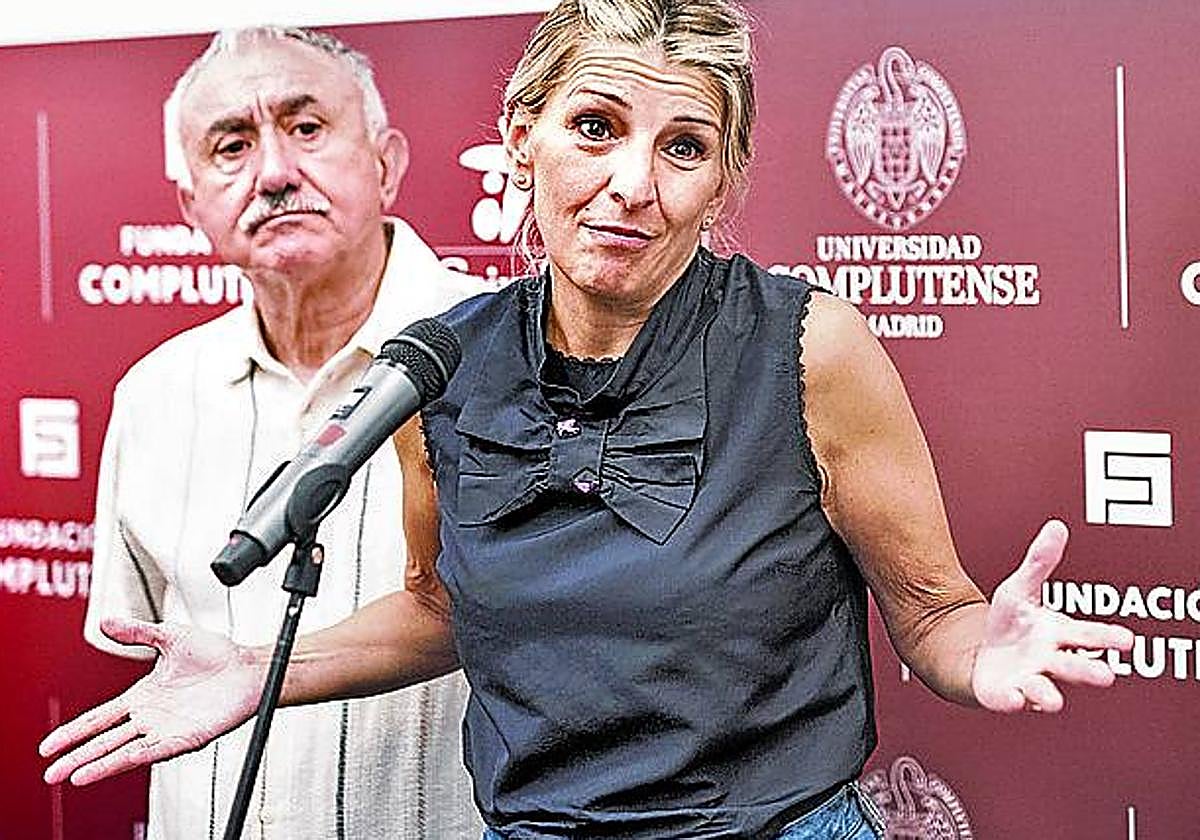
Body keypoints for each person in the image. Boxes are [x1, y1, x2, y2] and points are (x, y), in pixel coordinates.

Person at [43, 3, 1134, 838]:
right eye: (595, 128)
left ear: (725, 180)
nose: (631, 184)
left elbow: (933, 610)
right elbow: (439, 604)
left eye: (683, 146)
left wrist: (978, 652)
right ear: (523, 139)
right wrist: (259, 669)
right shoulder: (440, 363)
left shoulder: (811, 347)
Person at [77, 26, 483, 840]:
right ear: (192, 206)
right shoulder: (156, 392)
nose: (273, 173)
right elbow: (149, 639)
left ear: (386, 163)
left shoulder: (507, 353)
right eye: (231, 146)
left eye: (306, 128)